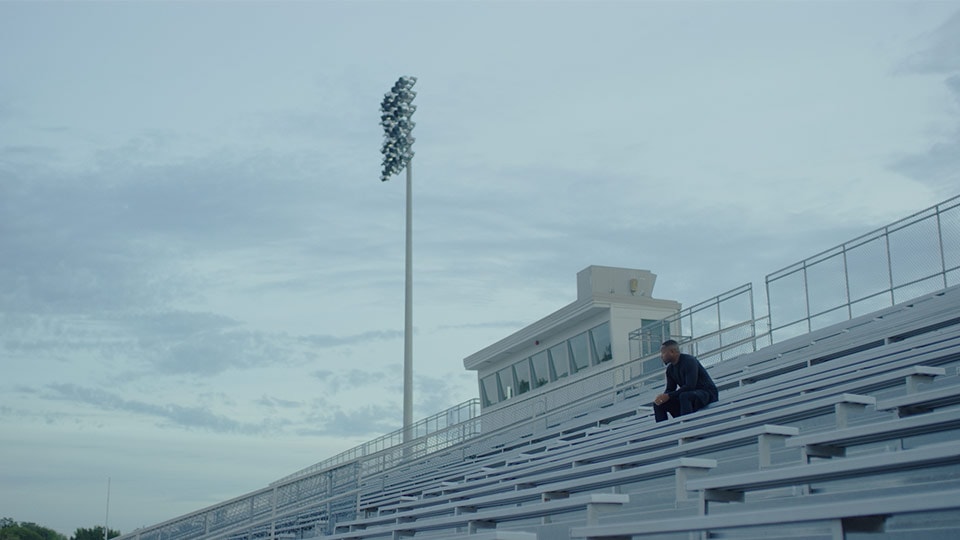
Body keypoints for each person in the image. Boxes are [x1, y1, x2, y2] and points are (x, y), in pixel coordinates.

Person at [652, 340, 718, 422]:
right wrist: (663, 397)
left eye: (663, 353)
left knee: (684, 396)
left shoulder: (689, 361)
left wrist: (668, 396)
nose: (661, 356)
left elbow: (690, 386)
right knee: (658, 403)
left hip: (707, 393)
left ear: (672, 352)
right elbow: (670, 389)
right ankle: (662, 431)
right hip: (690, 396)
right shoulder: (670, 369)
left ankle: (686, 427)